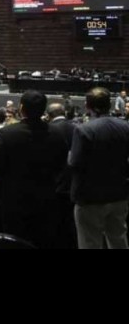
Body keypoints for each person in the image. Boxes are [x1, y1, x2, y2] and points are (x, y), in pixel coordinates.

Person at [0, 90, 68, 249]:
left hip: (14, 199)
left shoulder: (7, 133)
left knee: (15, 242)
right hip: (47, 198)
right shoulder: (57, 133)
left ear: (21, 108)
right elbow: (61, 165)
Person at [69, 86, 129, 249]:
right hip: (119, 194)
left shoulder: (83, 129)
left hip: (90, 197)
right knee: (119, 240)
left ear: (87, 106)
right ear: (110, 105)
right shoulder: (125, 127)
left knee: (90, 242)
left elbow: (75, 163)